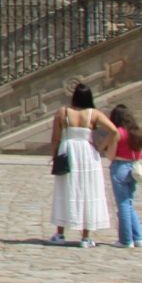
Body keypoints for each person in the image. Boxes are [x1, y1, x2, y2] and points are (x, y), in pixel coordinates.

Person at [49, 82, 114, 246]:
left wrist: (54, 155)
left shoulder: (62, 112)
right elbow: (113, 130)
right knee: (88, 189)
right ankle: (86, 237)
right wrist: (101, 147)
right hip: (87, 152)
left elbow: (55, 138)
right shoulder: (94, 114)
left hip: (68, 149)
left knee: (66, 188)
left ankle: (60, 233)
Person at [108, 104, 142, 248]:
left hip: (120, 167)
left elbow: (111, 155)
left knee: (123, 204)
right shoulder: (138, 132)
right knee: (129, 202)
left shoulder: (118, 132)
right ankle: (138, 237)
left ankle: (126, 240)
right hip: (134, 168)